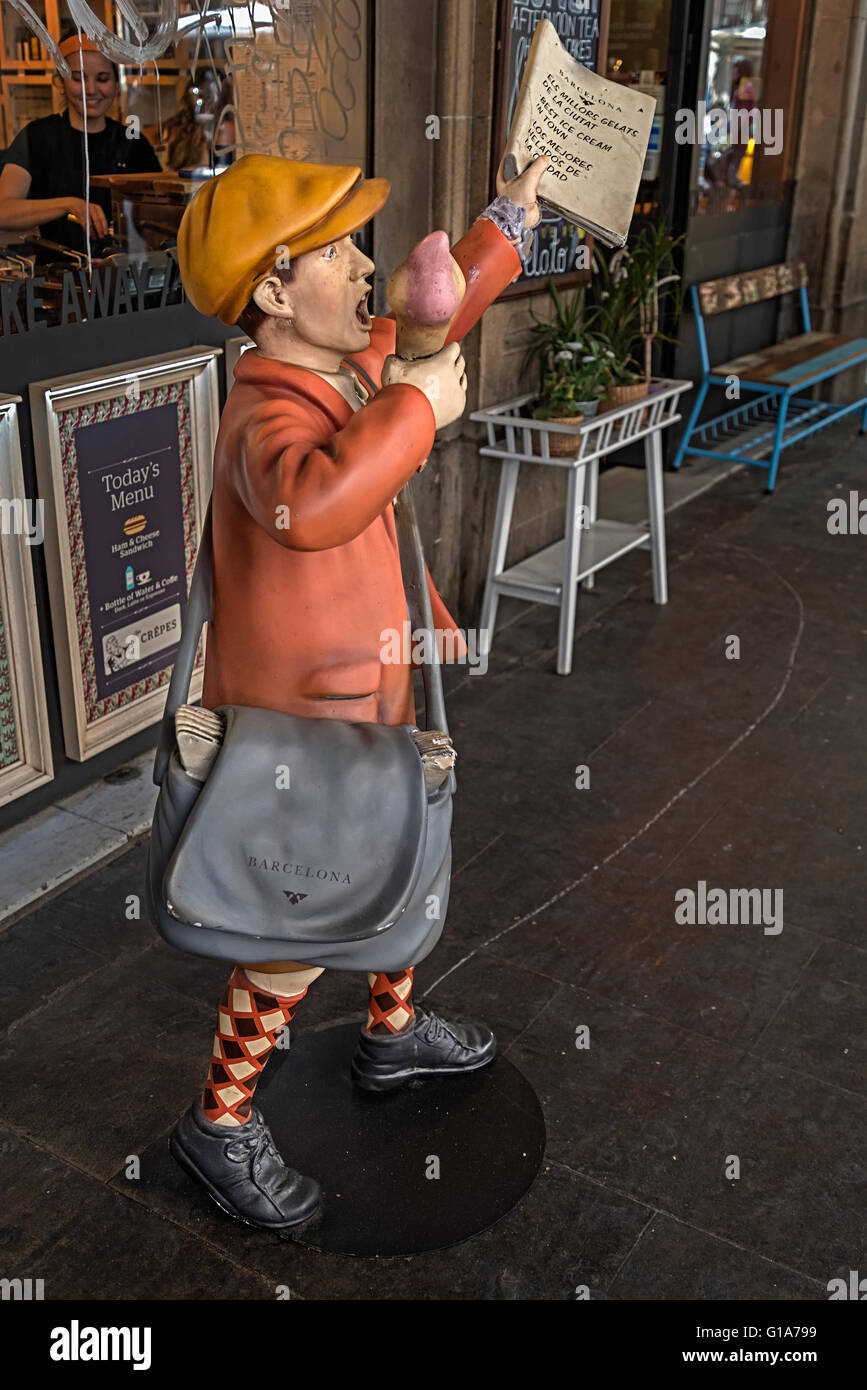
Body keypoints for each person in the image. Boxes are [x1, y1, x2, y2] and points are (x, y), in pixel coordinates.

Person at [166, 150, 548, 1231]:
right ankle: (221, 1120)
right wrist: (417, 410)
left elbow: (440, 302)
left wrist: (504, 220)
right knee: (296, 924)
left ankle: (391, 1030)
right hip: (301, 728)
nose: (369, 269)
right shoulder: (263, 419)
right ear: (275, 292)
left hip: (372, 683)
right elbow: (313, 504)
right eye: (339, 254)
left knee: (402, 850)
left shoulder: (349, 364)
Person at [0, 32, 161, 252]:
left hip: (126, 277)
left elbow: (161, 214)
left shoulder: (132, 142)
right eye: (78, 78)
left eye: (102, 78)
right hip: (61, 279)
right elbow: (3, 211)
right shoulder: (38, 136)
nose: (91, 90)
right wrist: (70, 204)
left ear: (115, 83)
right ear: (61, 81)